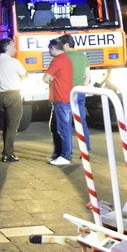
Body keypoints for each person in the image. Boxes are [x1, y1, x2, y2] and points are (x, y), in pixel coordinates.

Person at [0, 37, 26, 162]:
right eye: (13, 46)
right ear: (7, 48)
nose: (15, 49)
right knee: (12, 126)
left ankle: (7, 151)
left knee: (5, 125)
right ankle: (8, 153)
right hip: (12, 95)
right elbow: (24, 74)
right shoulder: (14, 62)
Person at [43, 38, 74, 166]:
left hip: (60, 98)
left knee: (62, 128)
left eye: (49, 49)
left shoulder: (57, 60)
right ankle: (60, 153)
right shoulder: (66, 59)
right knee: (58, 126)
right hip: (64, 97)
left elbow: (45, 78)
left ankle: (65, 155)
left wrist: (51, 79)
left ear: (53, 48)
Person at [59, 34, 90, 151]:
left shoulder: (63, 57)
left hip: (66, 93)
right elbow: (87, 77)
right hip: (80, 91)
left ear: (66, 44)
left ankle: (67, 150)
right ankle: (85, 148)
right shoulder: (83, 56)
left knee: (66, 123)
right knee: (82, 121)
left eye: (62, 45)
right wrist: (84, 89)